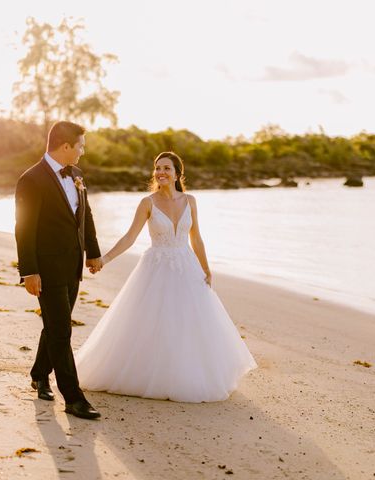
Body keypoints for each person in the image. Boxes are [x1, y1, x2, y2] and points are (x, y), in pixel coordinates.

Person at [75, 151, 257, 402]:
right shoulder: (147, 203)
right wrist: (104, 259)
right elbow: (130, 237)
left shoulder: (190, 201)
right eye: (157, 168)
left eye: (167, 168)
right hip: (155, 269)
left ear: (177, 174)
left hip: (187, 267)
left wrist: (206, 269)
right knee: (150, 322)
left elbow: (196, 238)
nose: (161, 172)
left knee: (189, 323)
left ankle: (186, 373)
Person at [14, 121, 103, 420]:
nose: (83, 150)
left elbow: (85, 215)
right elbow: (23, 228)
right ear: (65, 146)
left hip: (73, 265)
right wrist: (29, 271)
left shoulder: (77, 174)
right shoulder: (31, 179)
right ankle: (74, 398)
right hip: (46, 269)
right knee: (62, 329)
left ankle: (39, 373)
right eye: (81, 145)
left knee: (55, 326)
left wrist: (93, 252)